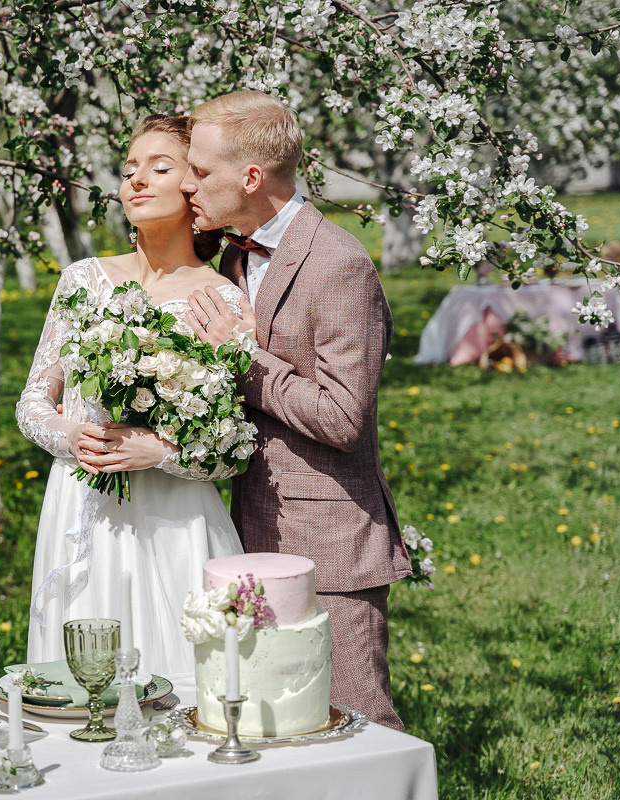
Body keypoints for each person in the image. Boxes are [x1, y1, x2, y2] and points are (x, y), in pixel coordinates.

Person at [180, 91, 412, 730]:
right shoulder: (235, 254)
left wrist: (241, 357)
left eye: (200, 172)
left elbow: (343, 417)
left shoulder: (339, 264)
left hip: (329, 547)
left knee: (358, 727)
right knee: (275, 726)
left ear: (250, 179)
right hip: (249, 531)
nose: (187, 184)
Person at [16, 115, 246, 676]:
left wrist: (160, 451)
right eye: (128, 169)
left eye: (159, 167)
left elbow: (235, 442)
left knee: (181, 675)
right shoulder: (82, 280)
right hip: (81, 504)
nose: (136, 180)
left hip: (173, 516)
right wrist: (72, 435)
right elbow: (31, 401)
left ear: (194, 184)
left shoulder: (224, 299)